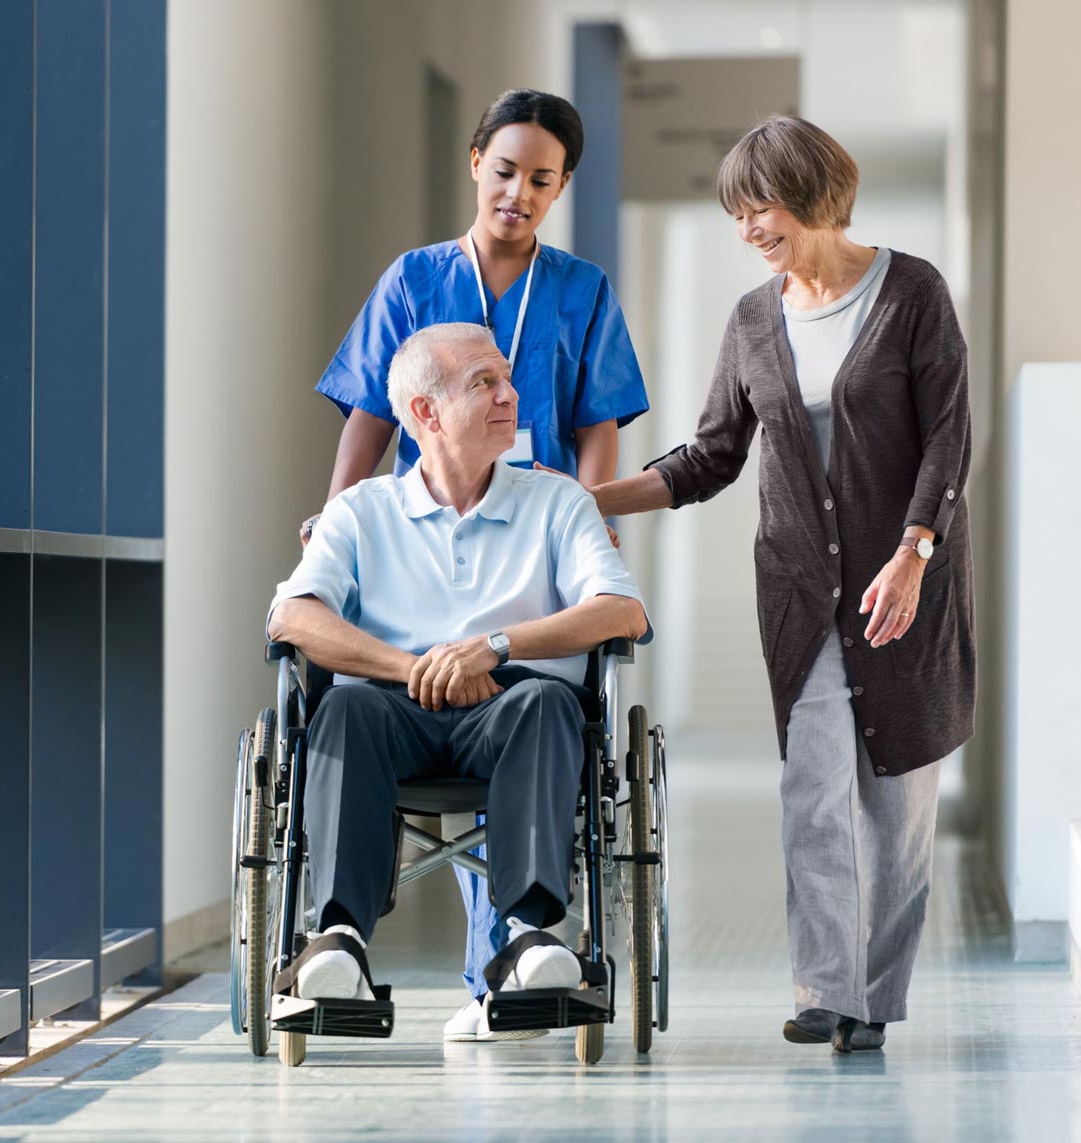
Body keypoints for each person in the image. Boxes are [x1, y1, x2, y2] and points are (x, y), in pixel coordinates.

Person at [583, 116, 975, 1053]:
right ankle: (826, 986)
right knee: (814, 790)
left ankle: (874, 1001)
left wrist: (915, 551)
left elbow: (949, 438)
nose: (750, 226)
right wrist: (589, 498)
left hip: (904, 588)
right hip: (801, 594)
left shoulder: (913, 292)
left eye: (760, 205)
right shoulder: (754, 319)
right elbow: (712, 454)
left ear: (814, 195)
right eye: (738, 211)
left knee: (896, 809)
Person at [304, 88, 650, 1042]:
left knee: (529, 704)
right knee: (384, 700)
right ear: (475, 165)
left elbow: (596, 425)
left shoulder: (578, 291)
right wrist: (341, 513)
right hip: (426, 520)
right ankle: (363, 945)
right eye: (505, 173)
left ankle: (510, 960)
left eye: (541, 181)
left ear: (561, 187)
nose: (519, 194)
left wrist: (588, 521)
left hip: (530, 527)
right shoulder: (415, 280)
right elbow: (375, 410)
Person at [267, 323, 648, 1028]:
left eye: (505, 377)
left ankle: (529, 935)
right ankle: (339, 940)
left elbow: (621, 610)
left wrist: (493, 647)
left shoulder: (557, 501)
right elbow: (292, 618)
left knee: (545, 704)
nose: (511, 395)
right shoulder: (361, 510)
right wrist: (411, 666)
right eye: (484, 383)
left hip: (513, 705)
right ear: (425, 413)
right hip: (391, 708)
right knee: (341, 713)